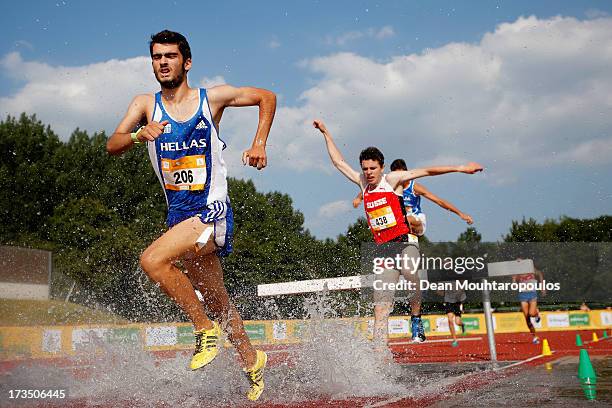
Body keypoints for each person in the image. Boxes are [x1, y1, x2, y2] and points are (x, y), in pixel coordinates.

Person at [106, 30, 276, 401]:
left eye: (169, 56)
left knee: (151, 260)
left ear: (187, 61)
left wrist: (259, 141)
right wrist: (139, 135)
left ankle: (203, 329)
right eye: (156, 57)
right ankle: (252, 360)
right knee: (218, 300)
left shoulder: (210, 99)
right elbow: (112, 144)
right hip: (179, 217)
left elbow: (267, 97)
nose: (162, 62)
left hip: (211, 209)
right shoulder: (145, 105)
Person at [312, 119, 483, 345]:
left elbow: (428, 171)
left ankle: (416, 317)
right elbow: (338, 162)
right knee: (380, 308)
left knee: (412, 276)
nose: (369, 173)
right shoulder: (362, 182)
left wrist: (461, 168)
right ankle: (379, 359)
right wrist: (326, 133)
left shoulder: (393, 179)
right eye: (365, 169)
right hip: (384, 251)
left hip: (405, 243)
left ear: (382, 167)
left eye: (373, 168)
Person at [353, 159, 474, 236]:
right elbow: (370, 188)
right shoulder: (389, 184)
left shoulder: (414, 187)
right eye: (397, 175)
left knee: (405, 218)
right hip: (399, 223)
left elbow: (439, 201)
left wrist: (460, 213)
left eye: (402, 175)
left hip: (417, 221)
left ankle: (405, 242)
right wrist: (359, 198)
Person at [512, 261, 545, 344]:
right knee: (527, 319)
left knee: (531, 313)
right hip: (523, 295)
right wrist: (513, 280)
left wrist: (542, 287)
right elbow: (514, 285)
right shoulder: (517, 273)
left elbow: (540, 274)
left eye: (520, 261)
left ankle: (536, 314)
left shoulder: (531, 269)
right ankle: (534, 337)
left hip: (532, 294)